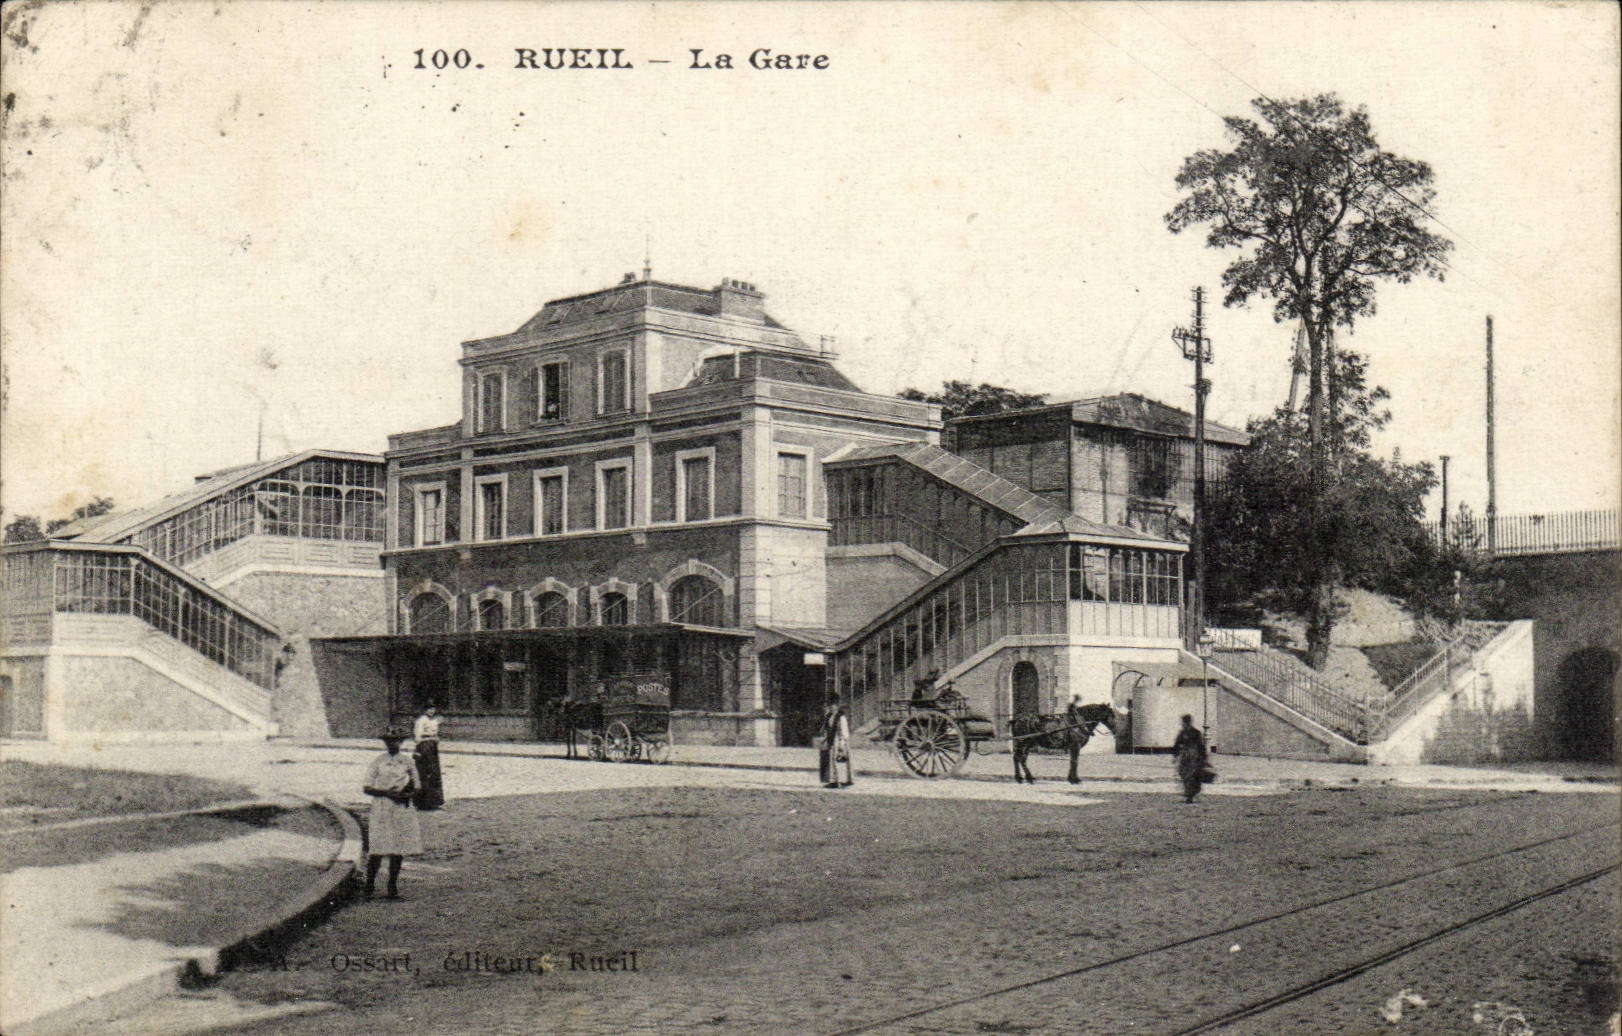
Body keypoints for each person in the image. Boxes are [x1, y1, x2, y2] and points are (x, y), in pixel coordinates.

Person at [363, 728, 423, 899]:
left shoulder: (407, 762)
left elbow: (417, 786)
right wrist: (387, 793)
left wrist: (406, 794)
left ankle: (392, 887)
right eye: (389, 740)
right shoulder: (378, 761)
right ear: (385, 743)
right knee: (378, 847)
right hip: (382, 806)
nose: (393, 743)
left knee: (398, 847)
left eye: (396, 740)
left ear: (401, 742)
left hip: (401, 807)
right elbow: (367, 787)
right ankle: (369, 886)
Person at [412, 705, 444, 810]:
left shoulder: (434, 721)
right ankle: (423, 802)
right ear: (424, 710)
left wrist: (435, 739)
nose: (431, 711)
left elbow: (435, 733)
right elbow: (417, 737)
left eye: (433, 709)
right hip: (424, 747)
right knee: (425, 772)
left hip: (432, 747)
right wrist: (427, 740)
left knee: (434, 773)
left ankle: (434, 801)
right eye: (429, 709)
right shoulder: (421, 721)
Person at [1172, 713, 1209, 804]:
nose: (1183, 724)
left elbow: (1200, 746)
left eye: (1184, 722)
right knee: (1183, 774)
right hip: (1185, 756)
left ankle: (1190, 795)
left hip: (1194, 757)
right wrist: (1175, 755)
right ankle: (1190, 793)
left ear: (1187, 722)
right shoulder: (1182, 733)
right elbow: (1177, 744)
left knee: (1192, 775)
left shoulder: (1196, 732)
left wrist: (1204, 758)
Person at [819, 695, 853, 789]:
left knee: (840, 761)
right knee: (832, 761)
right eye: (830, 705)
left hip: (839, 740)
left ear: (837, 706)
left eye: (833, 705)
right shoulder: (829, 716)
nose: (831, 707)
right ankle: (833, 781)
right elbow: (826, 728)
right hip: (832, 739)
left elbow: (844, 731)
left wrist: (842, 743)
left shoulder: (841, 717)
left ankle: (842, 781)